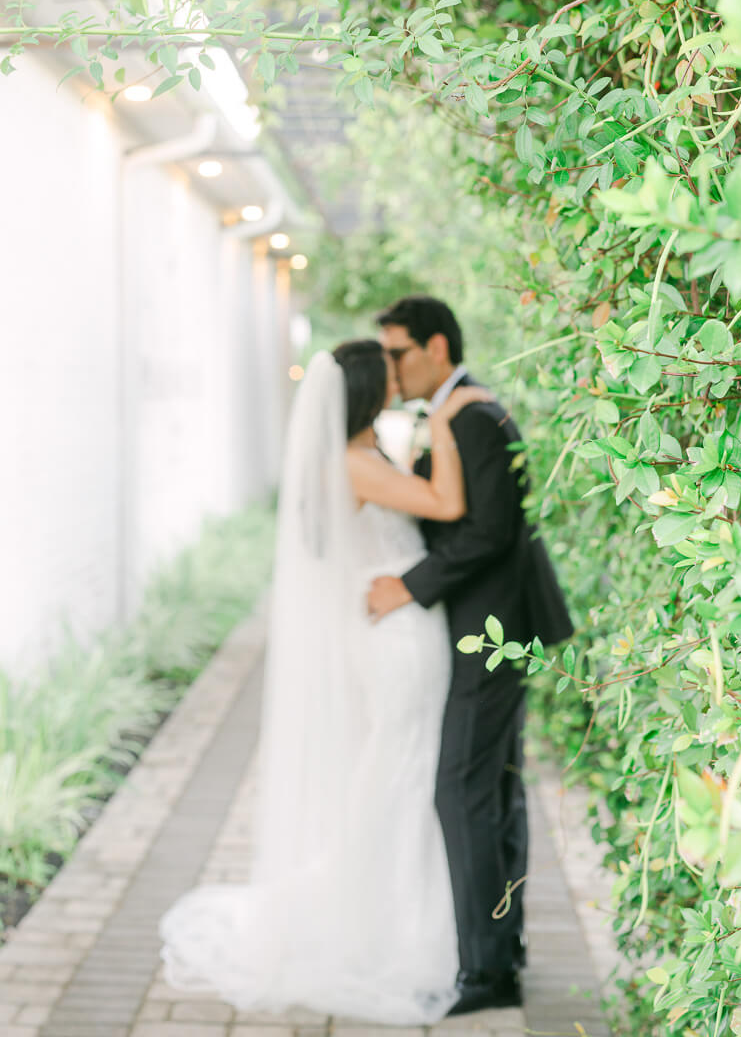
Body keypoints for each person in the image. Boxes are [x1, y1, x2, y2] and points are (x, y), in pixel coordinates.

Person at [159, 339, 491, 1024]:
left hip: (394, 627)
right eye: (390, 372)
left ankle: (397, 915)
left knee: (402, 766)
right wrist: (447, 418)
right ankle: (390, 929)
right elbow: (448, 502)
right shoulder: (354, 462)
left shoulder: (362, 454)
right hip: (397, 637)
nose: (402, 377)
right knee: (403, 767)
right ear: (370, 391)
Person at [368, 296, 573, 1017]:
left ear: (435, 347)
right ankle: (501, 950)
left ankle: (486, 974)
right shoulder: (458, 412)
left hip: (492, 632)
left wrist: (408, 587)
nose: (391, 366)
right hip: (492, 627)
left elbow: (490, 532)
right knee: (493, 790)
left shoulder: (475, 416)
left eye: (398, 352)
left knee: (461, 789)